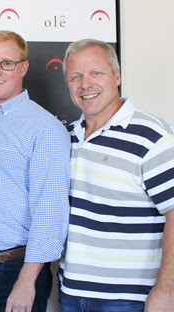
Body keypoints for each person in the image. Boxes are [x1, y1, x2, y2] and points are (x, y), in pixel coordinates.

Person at [58, 39, 174, 312]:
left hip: (130, 299)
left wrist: (166, 291)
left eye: (96, 73)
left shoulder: (152, 137)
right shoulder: (66, 138)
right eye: (76, 76)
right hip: (71, 292)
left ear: (117, 75)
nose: (85, 84)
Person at [0, 30, 71, 312]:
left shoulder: (45, 128)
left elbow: (50, 214)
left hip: (17, 271)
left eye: (7, 63)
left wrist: (27, 281)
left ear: (23, 67)